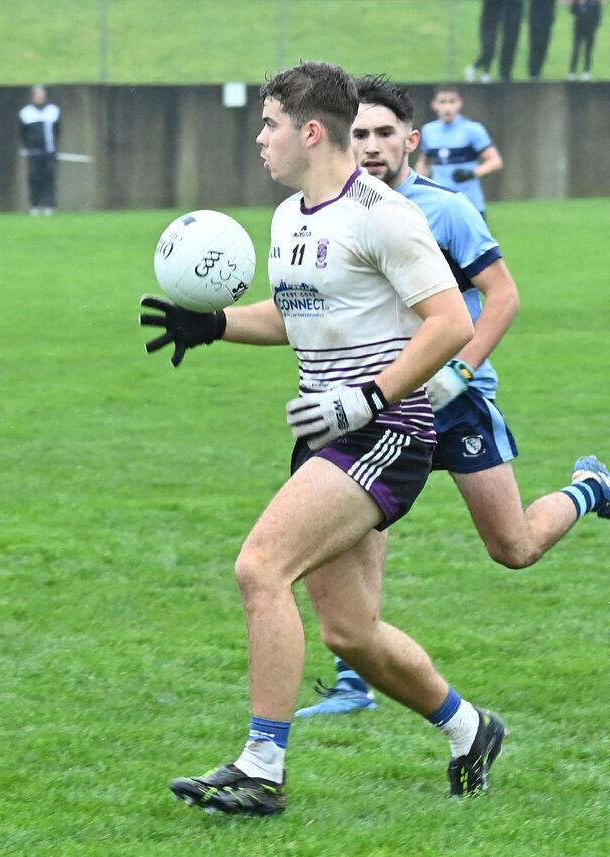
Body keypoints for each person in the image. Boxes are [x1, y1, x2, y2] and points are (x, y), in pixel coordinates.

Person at [142, 61, 500, 816]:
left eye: (269, 123)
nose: (260, 138)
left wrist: (367, 397)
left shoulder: (383, 214)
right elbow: (294, 313)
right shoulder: (289, 215)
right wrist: (212, 325)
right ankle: (472, 729)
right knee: (351, 630)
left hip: (387, 431)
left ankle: (261, 766)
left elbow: (453, 322)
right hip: (328, 431)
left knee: (260, 566)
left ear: (310, 131)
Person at [296, 75, 610, 718]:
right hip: (379, 402)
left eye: (386, 133)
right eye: (360, 134)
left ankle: (590, 488)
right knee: (360, 525)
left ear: (413, 139)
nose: (373, 145)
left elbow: (504, 296)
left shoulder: (447, 210)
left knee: (513, 547)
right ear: (340, 138)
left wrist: (459, 373)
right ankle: (355, 677)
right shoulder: (336, 213)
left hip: (455, 401)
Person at [416, 86, 503, 219]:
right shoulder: (428, 131)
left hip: (470, 204)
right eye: (443, 102)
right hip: (440, 205)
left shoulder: (473, 129)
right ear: (434, 105)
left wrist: (472, 173)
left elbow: (495, 161)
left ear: (459, 103)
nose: (447, 107)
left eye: (452, 101)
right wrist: (418, 185)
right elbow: (424, 163)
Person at [19, 84, 60, 215]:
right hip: (34, 153)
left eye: (41, 95)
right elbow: (22, 133)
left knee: (50, 178)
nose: (39, 98)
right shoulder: (26, 113)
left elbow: (58, 131)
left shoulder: (53, 111)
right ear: (33, 97)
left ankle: (49, 205)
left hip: (49, 152)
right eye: (37, 95)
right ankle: (35, 205)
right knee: (34, 178)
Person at [467, 0, 527, 82]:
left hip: (509, 8)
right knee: (490, 46)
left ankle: (488, 72)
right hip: (493, 12)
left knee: (508, 42)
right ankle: (480, 70)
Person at [566, 0, 604, 80]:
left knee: (588, 50)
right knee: (576, 49)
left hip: (590, 28)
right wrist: (579, 4)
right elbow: (572, 11)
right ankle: (572, 72)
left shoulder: (594, 2)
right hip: (579, 28)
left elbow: (598, 14)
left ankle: (586, 71)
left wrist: (596, 27)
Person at [527, 0, 559, 78]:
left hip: (547, 16)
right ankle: (533, 72)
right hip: (536, 16)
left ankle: (538, 71)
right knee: (535, 44)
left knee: (543, 45)